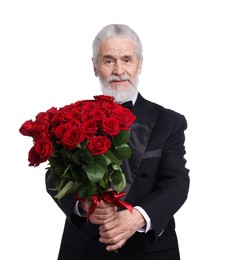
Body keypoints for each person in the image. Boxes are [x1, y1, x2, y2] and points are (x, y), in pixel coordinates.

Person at [46, 24, 190, 260]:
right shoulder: (72, 119)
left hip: (148, 251)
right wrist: (83, 207)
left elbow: (177, 181)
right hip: (84, 249)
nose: (119, 70)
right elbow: (53, 175)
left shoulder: (169, 121)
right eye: (109, 60)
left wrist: (138, 217)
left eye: (126, 59)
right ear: (95, 67)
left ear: (139, 64)